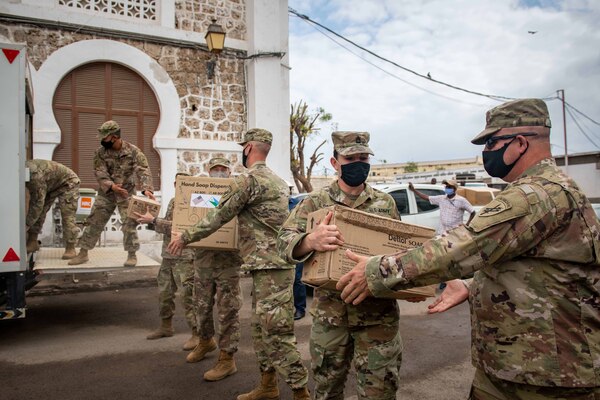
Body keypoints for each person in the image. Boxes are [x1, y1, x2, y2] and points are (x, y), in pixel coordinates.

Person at [337, 99, 600, 399]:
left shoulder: (535, 195)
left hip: (547, 376)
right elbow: (537, 271)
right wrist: (473, 286)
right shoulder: (549, 189)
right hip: (522, 365)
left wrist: (376, 271)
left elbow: (462, 247)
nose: (486, 151)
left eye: (491, 142)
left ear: (520, 143)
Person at [167, 129, 309, 400]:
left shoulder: (248, 181)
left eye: (242, 147)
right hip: (267, 267)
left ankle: (301, 392)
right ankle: (268, 385)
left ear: (248, 149)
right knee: (259, 329)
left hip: (271, 268)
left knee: (276, 334)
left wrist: (185, 236)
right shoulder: (279, 181)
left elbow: (218, 216)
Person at [278, 131, 403, 400]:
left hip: (377, 317)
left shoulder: (386, 202)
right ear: (335, 163)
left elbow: (400, 251)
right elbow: (283, 242)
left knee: (379, 392)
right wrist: (309, 240)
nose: (359, 163)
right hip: (331, 318)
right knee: (326, 390)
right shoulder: (315, 202)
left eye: (363, 157)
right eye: (350, 158)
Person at [183, 157, 244, 383]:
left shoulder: (239, 193)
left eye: (223, 169)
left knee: (228, 310)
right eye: (215, 169)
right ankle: (205, 340)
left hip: (228, 263)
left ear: (229, 172)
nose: (219, 172)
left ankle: (227, 359)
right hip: (203, 261)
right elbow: (186, 221)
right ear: (208, 172)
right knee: (201, 306)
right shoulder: (199, 195)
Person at [69, 120, 155, 267]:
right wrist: (112, 186)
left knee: (129, 223)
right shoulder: (100, 153)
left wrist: (147, 188)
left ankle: (132, 255)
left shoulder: (133, 151)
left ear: (114, 137)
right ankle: (83, 253)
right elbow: (99, 172)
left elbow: (143, 169)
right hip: (106, 193)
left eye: (105, 137)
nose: (102, 140)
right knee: (94, 221)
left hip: (126, 193)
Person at [135, 173, 197, 350]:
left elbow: (182, 229)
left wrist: (154, 220)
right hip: (168, 255)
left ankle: (197, 333)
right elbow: (167, 226)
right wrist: (152, 212)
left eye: (183, 183)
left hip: (185, 257)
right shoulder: (172, 201)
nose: (179, 186)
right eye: (177, 183)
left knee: (188, 296)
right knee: (164, 293)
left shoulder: (196, 202)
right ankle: (166, 326)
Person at [25, 159, 80, 259]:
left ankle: (70, 248)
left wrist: (27, 224)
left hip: (68, 183)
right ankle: (32, 241)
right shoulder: (21, 170)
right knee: (40, 211)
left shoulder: (34, 176)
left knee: (67, 215)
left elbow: (37, 204)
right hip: (51, 185)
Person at [409, 179, 475, 235]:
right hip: (442, 232)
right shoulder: (441, 198)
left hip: (455, 233)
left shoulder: (461, 200)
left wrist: (467, 225)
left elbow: (473, 212)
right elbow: (426, 197)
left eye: (449, 187)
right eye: (446, 187)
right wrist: (414, 190)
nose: (447, 189)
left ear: (454, 189)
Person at [288, 195, 307, 321]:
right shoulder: (273, 204)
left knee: (298, 279)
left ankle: (300, 309)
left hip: (296, 246)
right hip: (281, 247)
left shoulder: (296, 204)